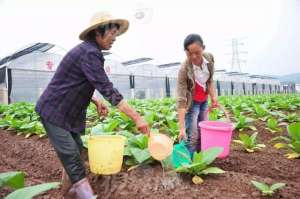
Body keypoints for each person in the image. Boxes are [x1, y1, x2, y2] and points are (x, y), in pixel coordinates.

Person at [35, 11, 150, 199]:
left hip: (66, 113)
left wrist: (95, 100)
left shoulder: (88, 51)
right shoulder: (89, 53)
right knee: (71, 156)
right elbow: (106, 88)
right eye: (112, 33)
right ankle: (85, 194)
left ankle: (68, 193)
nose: (115, 38)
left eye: (116, 34)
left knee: (77, 151)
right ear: (98, 32)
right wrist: (137, 118)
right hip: (54, 112)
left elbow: (74, 81)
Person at [176, 34, 219, 155]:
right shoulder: (184, 69)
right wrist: (181, 128)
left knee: (203, 130)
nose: (194, 57)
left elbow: (210, 80)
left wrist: (213, 97)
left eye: (197, 53)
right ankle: (189, 162)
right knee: (193, 134)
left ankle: (201, 157)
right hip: (192, 104)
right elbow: (181, 98)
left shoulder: (209, 59)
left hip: (204, 101)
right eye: (189, 54)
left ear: (203, 48)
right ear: (185, 52)